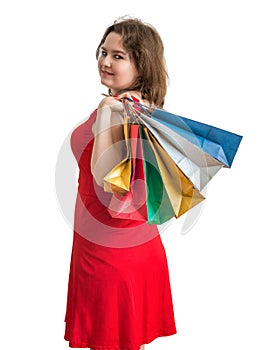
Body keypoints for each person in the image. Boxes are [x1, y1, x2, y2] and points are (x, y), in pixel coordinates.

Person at [64, 17, 177, 350]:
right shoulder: (141, 107)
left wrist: (105, 114)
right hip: (125, 243)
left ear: (140, 65)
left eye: (118, 56)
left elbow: (107, 179)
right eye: (104, 52)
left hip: (109, 252)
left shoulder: (117, 109)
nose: (105, 61)